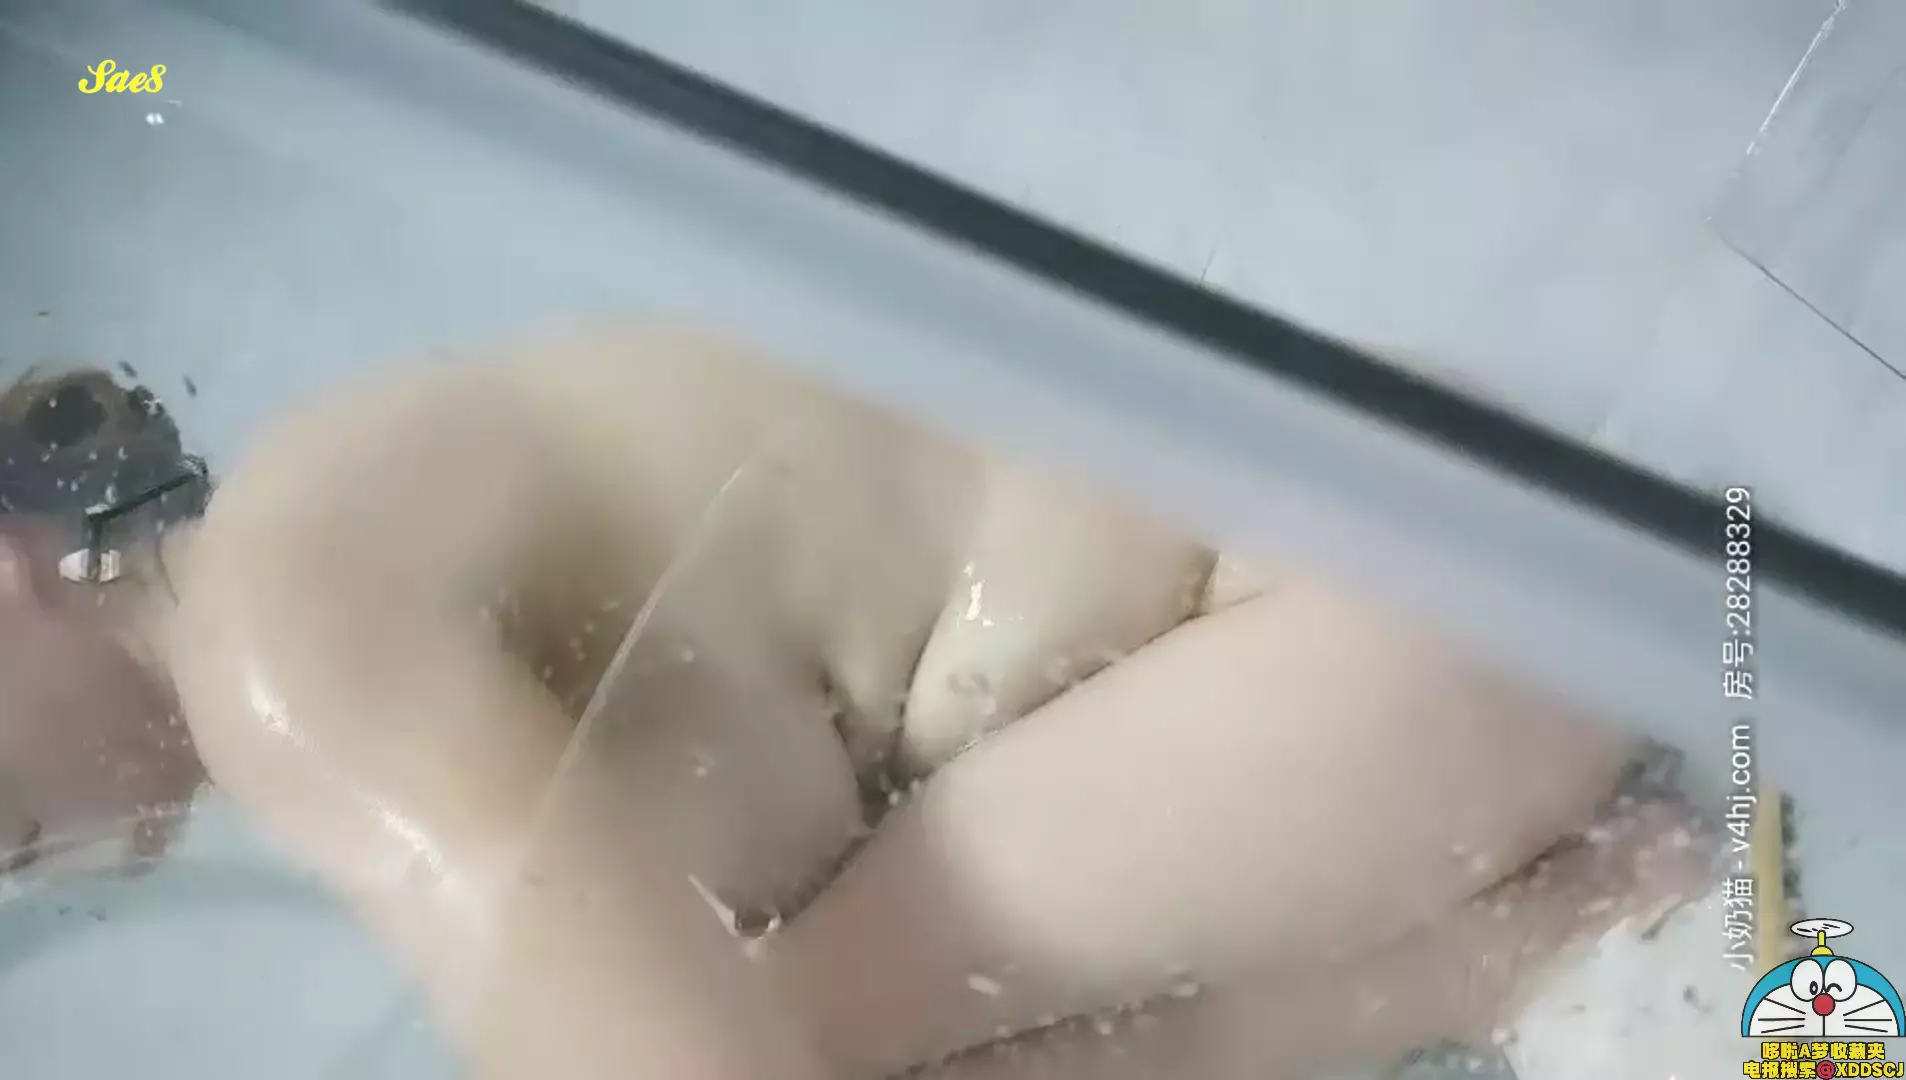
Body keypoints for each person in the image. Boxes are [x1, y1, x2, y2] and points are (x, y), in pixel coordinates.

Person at [0, 327, 1705, 1079]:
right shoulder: (315, 598)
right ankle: (1493, 951)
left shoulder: (277, 637)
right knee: (797, 1011)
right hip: (1439, 607)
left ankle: (1506, 949)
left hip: (1405, 600)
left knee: (787, 1025)